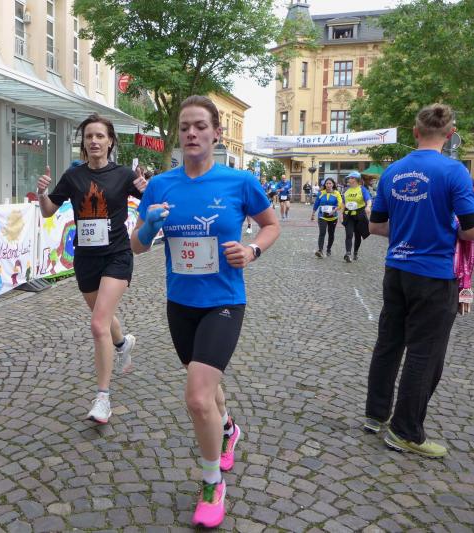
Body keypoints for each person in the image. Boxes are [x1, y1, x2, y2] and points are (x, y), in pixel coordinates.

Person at [131, 95, 280, 528]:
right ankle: (229, 429)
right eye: (184, 127)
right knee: (207, 386)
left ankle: (213, 482)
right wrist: (149, 226)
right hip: (180, 303)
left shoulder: (240, 182)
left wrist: (251, 251)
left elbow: (271, 226)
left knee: (197, 396)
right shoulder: (161, 185)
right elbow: (137, 245)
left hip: (224, 302)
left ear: (217, 133)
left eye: (200, 126)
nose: (191, 133)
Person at [364, 103, 474, 458]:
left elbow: (376, 226)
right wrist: (441, 230)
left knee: (389, 343)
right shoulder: (454, 171)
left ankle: (375, 415)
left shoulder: (393, 171)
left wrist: (407, 231)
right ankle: (405, 432)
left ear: (415, 132)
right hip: (434, 275)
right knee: (424, 353)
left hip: (397, 270)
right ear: (450, 135)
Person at [36, 113, 147, 424]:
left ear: (110, 141)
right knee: (103, 316)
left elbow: (153, 201)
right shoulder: (73, 176)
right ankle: (123, 343)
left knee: (98, 324)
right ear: (83, 143)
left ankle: (102, 398)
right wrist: (42, 193)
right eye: (89, 137)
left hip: (117, 255)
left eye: (100, 136)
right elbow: (48, 211)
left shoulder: (123, 175)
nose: (94, 141)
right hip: (85, 258)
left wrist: (147, 187)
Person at [342, 171, 372, 262]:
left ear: (355, 179)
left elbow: (368, 199)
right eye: (349, 178)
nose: (349, 179)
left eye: (351, 178)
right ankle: (348, 253)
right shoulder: (346, 190)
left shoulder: (362, 189)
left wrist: (368, 206)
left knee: (357, 236)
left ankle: (355, 252)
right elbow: (343, 203)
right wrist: (341, 214)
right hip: (349, 215)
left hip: (359, 215)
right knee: (349, 234)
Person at [311, 177, 342, 258]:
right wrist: (313, 214)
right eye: (327, 183)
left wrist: (334, 210)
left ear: (333, 184)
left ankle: (328, 249)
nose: (328, 185)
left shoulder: (336, 193)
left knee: (331, 234)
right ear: (325, 184)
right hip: (322, 216)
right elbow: (316, 204)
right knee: (322, 233)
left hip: (333, 217)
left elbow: (340, 204)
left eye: (330, 183)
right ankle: (320, 250)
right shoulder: (321, 193)